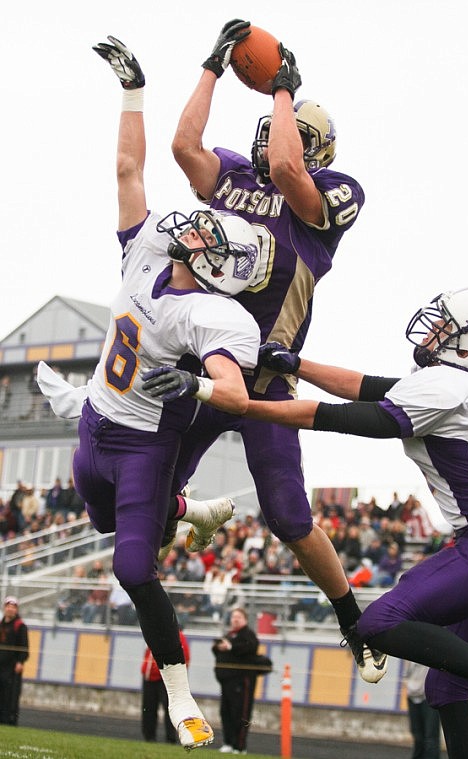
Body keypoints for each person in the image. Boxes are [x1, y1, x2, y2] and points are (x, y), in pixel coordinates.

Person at [36, 35, 262, 751]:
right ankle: (191, 511)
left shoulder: (214, 313)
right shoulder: (149, 249)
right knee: (109, 526)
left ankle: (181, 696)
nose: (192, 232)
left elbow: (232, 388)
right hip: (94, 428)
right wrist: (133, 90)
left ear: (221, 270)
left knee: (133, 565)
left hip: (143, 442)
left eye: (207, 241)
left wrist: (196, 378)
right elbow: (130, 167)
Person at [167, 18, 386, 684]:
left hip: (266, 383)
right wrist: (211, 65)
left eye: (285, 125)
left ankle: (355, 620)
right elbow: (183, 145)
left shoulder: (331, 194)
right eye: (269, 125)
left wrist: (283, 88)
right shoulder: (232, 173)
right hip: (206, 364)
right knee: (143, 490)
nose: (271, 139)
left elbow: (292, 168)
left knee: (291, 517)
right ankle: (189, 511)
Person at [247, 286, 468, 758]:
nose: (434, 331)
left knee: (378, 622)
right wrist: (296, 364)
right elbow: (364, 385)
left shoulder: (449, 386)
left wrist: (244, 407)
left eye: (447, 327)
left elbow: (352, 417)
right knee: (446, 688)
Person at [212, 607, 260, 754]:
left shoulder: (248, 635)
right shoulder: (229, 634)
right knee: (225, 712)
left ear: (245, 619)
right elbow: (216, 650)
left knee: (240, 713)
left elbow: (251, 647)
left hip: (242, 681)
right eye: (233, 617)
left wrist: (231, 647)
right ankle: (228, 742)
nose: (235, 619)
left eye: (238, 617)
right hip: (226, 682)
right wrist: (219, 646)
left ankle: (240, 746)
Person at [141, 628, 190, 744]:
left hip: (166, 679)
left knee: (169, 709)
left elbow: (185, 658)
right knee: (148, 708)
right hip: (149, 678)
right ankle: (149, 737)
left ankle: (170, 738)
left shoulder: (178, 636)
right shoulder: (154, 633)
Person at [403, 661, 442, 759]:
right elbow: (406, 674)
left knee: (431, 736)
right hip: (412, 696)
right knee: (417, 736)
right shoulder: (409, 656)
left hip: (429, 697)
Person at [0, 596, 29, 725]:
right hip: (1, 665)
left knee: (10, 694)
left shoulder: (20, 626)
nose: (10, 609)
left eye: (13, 607)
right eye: (8, 606)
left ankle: (10, 719)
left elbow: (24, 646)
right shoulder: (1, 624)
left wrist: (20, 662)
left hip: (12, 666)